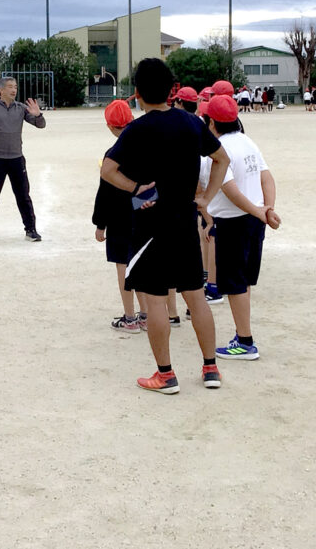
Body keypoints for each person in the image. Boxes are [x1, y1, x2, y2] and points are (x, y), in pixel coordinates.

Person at [100, 58, 232, 394]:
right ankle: (210, 368)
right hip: (185, 221)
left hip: (149, 227)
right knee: (196, 297)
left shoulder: (136, 130)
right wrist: (206, 199)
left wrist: (134, 188)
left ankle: (166, 374)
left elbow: (107, 169)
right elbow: (221, 159)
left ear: (139, 93)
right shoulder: (191, 123)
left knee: (156, 300)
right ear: (172, 89)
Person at [199, 95, 281, 361]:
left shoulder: (217, 150)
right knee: (243, 282)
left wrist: (260, 211)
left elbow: (229, 188)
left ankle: (245, 341)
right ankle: (243, 337)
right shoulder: (247, 141)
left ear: (210, 122)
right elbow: (267, 177)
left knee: (235, 284)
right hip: (254, 222)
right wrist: (267, 209)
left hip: (234, 222)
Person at [94, 100, 154, 333]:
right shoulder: (147, 147)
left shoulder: (113, 153)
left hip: (119, 217)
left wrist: (100, 224)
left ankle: (129, 317)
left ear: (110, 126)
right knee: (142, 264)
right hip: (145, 213)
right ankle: (147, 315)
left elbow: (105, 192)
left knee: (123, 265)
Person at [0, 77, 46, 243]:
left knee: (23, 196)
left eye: (15, 87)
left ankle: (31, 230)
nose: (14, 90)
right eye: (10, 87)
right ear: (1, 90)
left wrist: (38, 114)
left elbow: (41, 125)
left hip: (16, 159)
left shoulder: (20, 108)